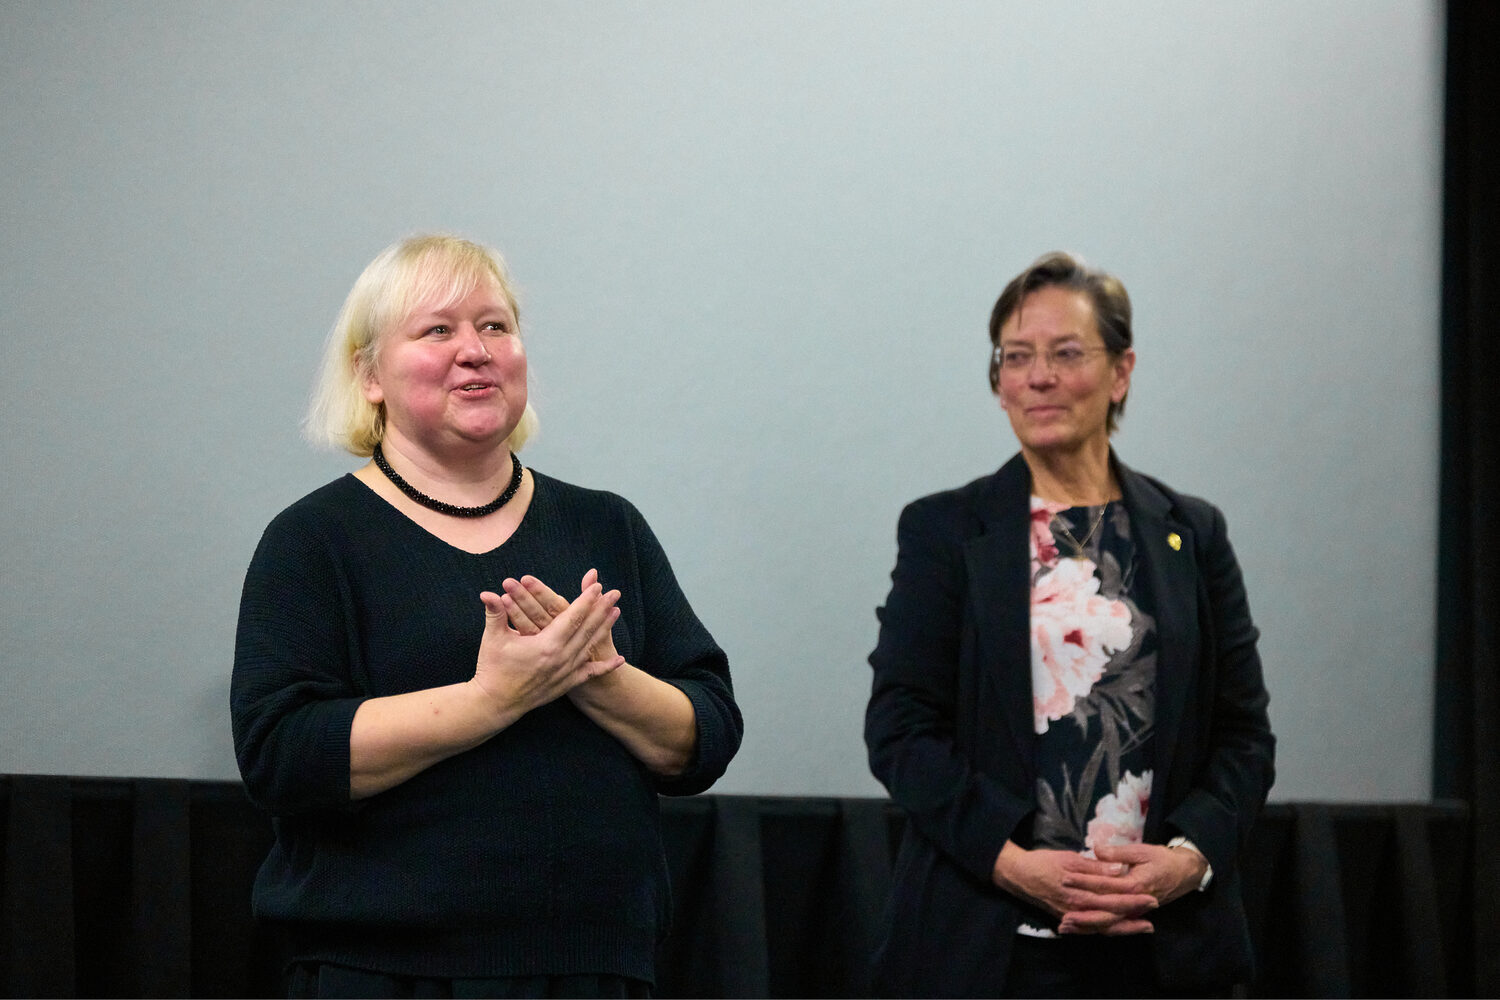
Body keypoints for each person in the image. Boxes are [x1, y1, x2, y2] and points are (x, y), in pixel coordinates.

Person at [231, 234, 742, 999]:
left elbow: (707, 736)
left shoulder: (606, 527)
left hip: (597, 967)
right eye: (438, 329)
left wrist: (600, 677)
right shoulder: (315, 540)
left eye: (495, 326)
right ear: (369, 375)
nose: (475, 350)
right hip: (389, 972)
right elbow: (282, 754)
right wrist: (491, 700)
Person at [864, 252, 1275, 997]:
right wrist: (1013, 864)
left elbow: (1243, 735)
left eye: (1065, 354)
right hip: (991, 948)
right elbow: (901, 730)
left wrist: (1187, 860)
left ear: (1121, 373)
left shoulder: (1193, 533)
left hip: (1166, 948)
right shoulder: (944, 531)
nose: (1038, 378)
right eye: (1016, 357)